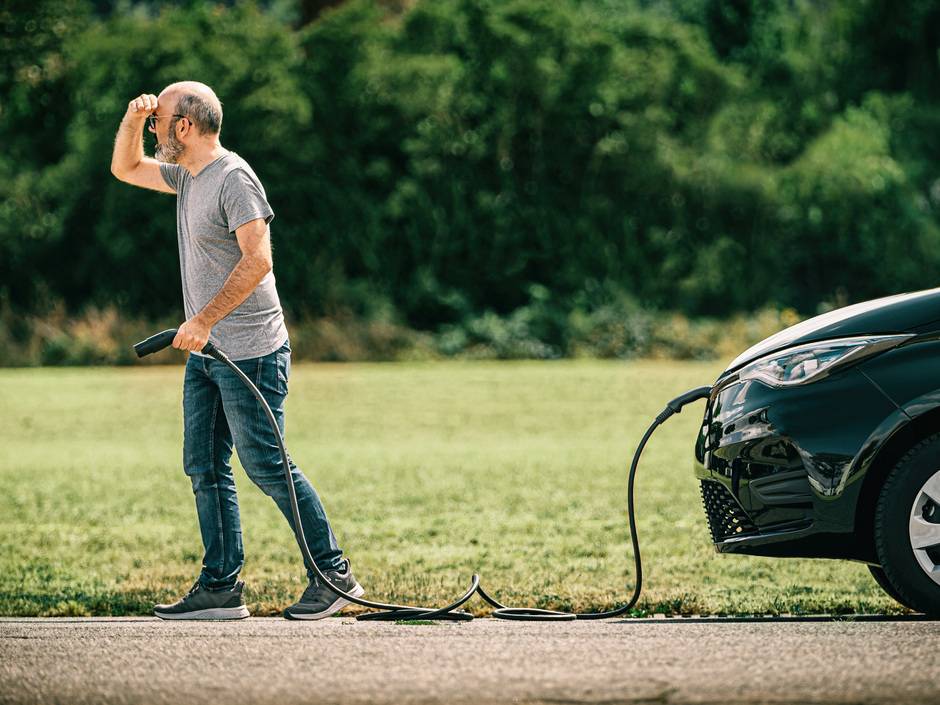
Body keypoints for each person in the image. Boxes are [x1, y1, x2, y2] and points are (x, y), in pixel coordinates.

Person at [110, 82, 363, 620]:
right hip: (207, 352)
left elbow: (259, 259)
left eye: (160, 118)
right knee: (203, 465)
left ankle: (335, 576)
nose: (155, 126)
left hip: (250, 350)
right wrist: (134, 118)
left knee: (268, 466)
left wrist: (202, 319)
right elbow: (126, 169)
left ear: (185, 126)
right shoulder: (187, 177)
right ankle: (221, 587)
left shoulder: (233, 178)